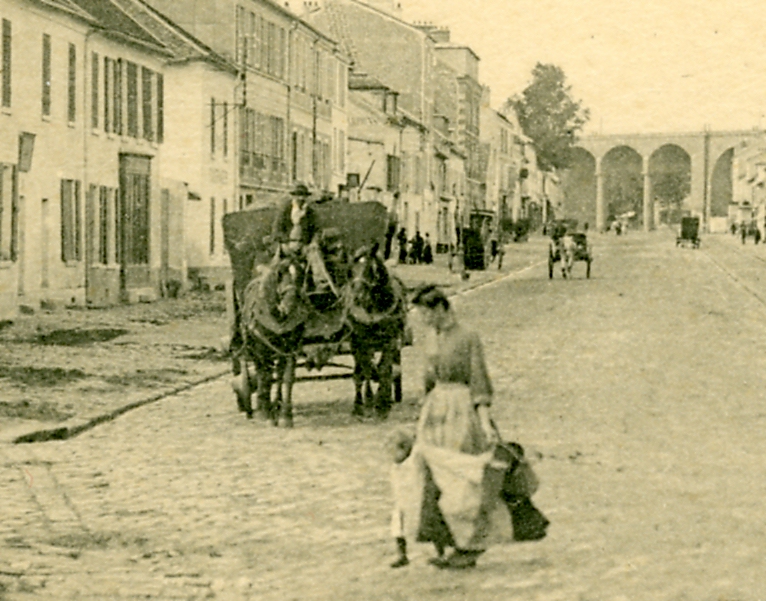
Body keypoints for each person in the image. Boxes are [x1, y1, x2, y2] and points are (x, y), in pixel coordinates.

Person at [405, 285, 508, 570]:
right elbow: (428, 377)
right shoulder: (431, 336)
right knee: (429, 477)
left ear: (439, 309)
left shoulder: (467, 337)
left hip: (461, 410)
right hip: (435, 410)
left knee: (460, 479)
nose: (423, 320)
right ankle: (442, 542)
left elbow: (478, 380)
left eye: (425, 313)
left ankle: (470, 546)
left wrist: (485, 421)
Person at [387, 429, 415, 568]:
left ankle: (440, 552)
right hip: (400, 503)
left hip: (414, 501)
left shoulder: (412, 465)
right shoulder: (394, 466)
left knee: (431, 526)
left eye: (394, 452)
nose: (392, 456)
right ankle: (402, 555)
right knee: (398, 529)